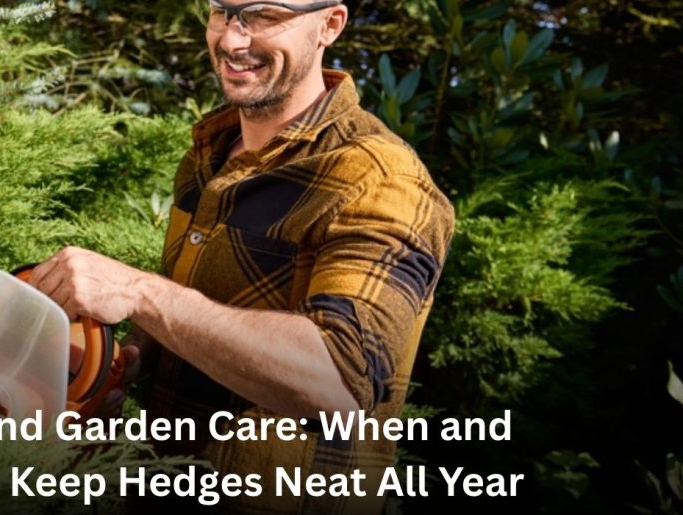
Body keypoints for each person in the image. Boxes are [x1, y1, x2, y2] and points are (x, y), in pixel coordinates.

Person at [26, 0, 455, 512]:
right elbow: (200, 311)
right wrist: (120, 365)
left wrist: (138, 291)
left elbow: (339, 381)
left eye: (266, 15)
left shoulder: (380, 180)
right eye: (222, 11)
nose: (231, 40)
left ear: (330, 25)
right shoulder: (209, 155)